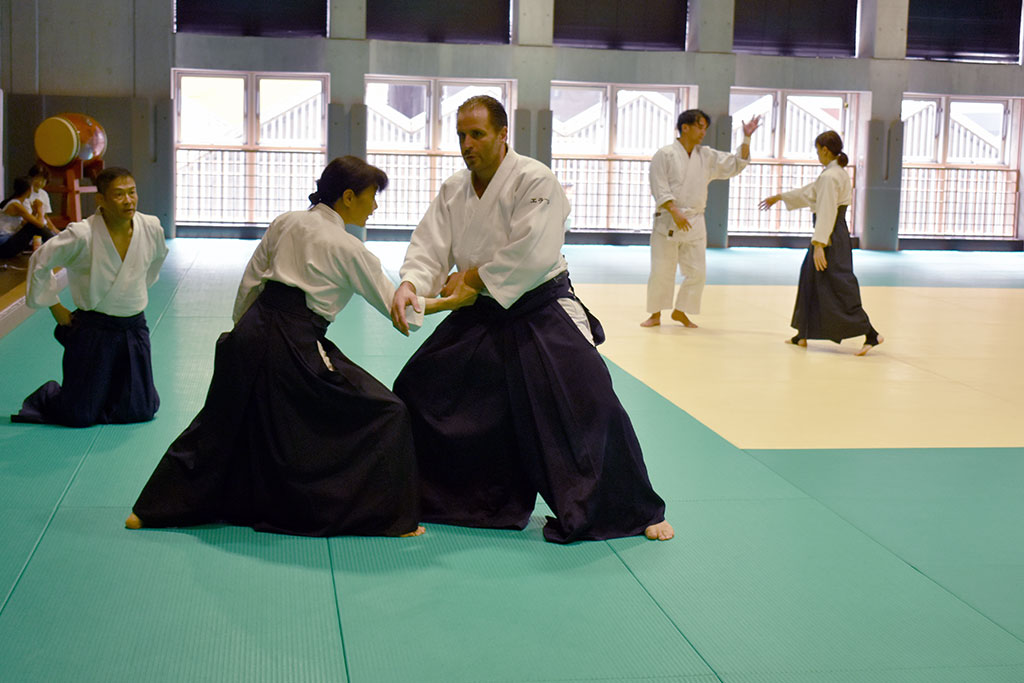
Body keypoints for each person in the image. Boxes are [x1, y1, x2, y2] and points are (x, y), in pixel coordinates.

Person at [127, 157, 461, 538]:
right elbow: (402, 314)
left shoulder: (286, 221)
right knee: (389, 412)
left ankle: (149, 510)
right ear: (349, 197)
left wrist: (241, 337)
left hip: (253, 330)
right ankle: (385, 517)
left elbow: (251, 282)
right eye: (372, 197)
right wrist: (456, 300)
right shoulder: (348, 247)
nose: (375, 207)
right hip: (296, 340)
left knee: (219, 421)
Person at [390, 95, 673, 544]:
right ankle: (458, 500)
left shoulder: (534, 178)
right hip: (480, 309)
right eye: (462, 135)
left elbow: (533, 249)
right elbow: (429, 245)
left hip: (538, 305)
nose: (468, 144)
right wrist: (410, 283)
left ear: (503, 135)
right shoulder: (454, 189)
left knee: (590, 400)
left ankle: (631, 509)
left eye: (478, 134)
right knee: (421, 386)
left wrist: (474, 276)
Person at [12, 167, 167, 426]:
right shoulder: (82, 234)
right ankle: (51, 394)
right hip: (94, 329)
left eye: (132, 192)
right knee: (78, 416)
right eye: (119, 194)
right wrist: (54, 305)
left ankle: (107, 392)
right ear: (101, 200)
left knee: (141, 411)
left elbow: (157, 259)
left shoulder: (150, 227)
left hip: (134, 327)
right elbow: (41, 260)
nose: (128, 200)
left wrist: (134, 289)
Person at [759, 130, 883, 356]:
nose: (817, 155)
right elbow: (810, 193)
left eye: (818, 150)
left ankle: (871, 333)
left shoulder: (830, 176)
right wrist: (780, 197)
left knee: (837, 283)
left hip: (830, 235)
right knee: (810, 277)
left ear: (825, 150)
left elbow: (826, 210)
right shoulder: (835, 173)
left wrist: (819, 245)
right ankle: (802, 333)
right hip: (833, 233)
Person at [641, 110, 762, 329]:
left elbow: (736, 163)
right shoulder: (664, 154)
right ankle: (656, 314)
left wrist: (746, 137)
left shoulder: (705, 156)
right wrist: (674, 210)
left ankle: (681, 311)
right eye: (700, 126)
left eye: (705, 127)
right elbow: (659, 185)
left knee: (697, 271)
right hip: (668, 218)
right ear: (685, 127)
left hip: (695, 219)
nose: (703, 132)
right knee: (661, 269)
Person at [0, 176, 57, 259]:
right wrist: (40, 210)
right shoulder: (15, 205)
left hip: (7, 244)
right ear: (29, 190)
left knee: (33, 226)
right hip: (4, 246)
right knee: (35, 226)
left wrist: (34, 212)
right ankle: (58, 245)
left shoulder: (17, 203)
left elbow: (27, 224)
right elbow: (40, 225)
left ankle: (57, 245)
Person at [27, 165, 59, 232]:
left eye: (43, 180)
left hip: (43, 226)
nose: (39, 182)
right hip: (32, 226)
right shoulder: (26, 192)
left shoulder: (43, 194)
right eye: (37, 178)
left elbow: (45, 216)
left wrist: (55, 230)